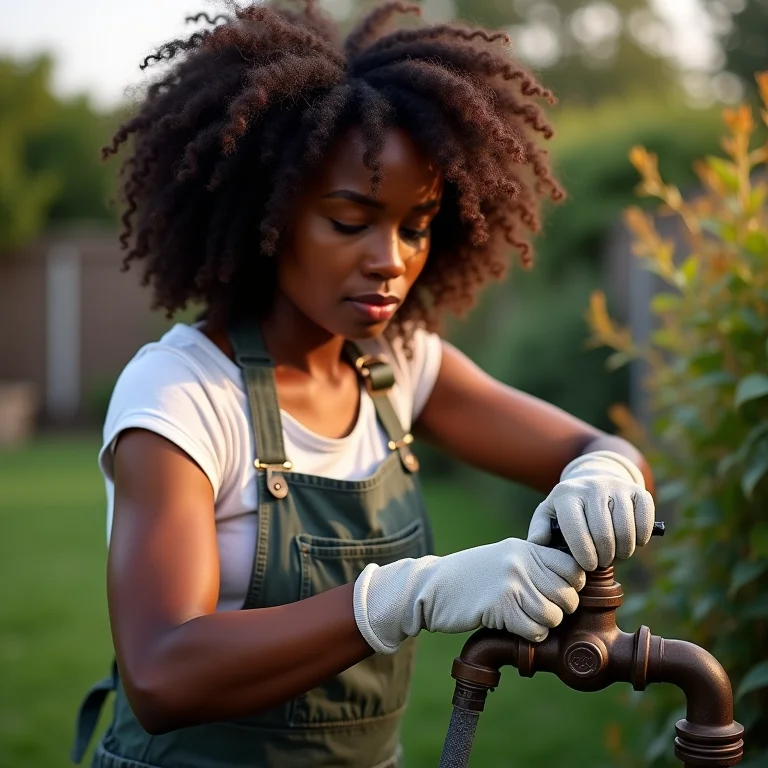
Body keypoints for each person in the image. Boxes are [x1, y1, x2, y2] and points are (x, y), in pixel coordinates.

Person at [71, 2, 656, 766]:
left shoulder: (398, 363)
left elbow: (599, 448)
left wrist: (601, 472)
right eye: (350, 221)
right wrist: (404, 595)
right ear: (266, 217)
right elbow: (161, 672)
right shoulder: (182, 397)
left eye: (416, 225)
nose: (391, 259)